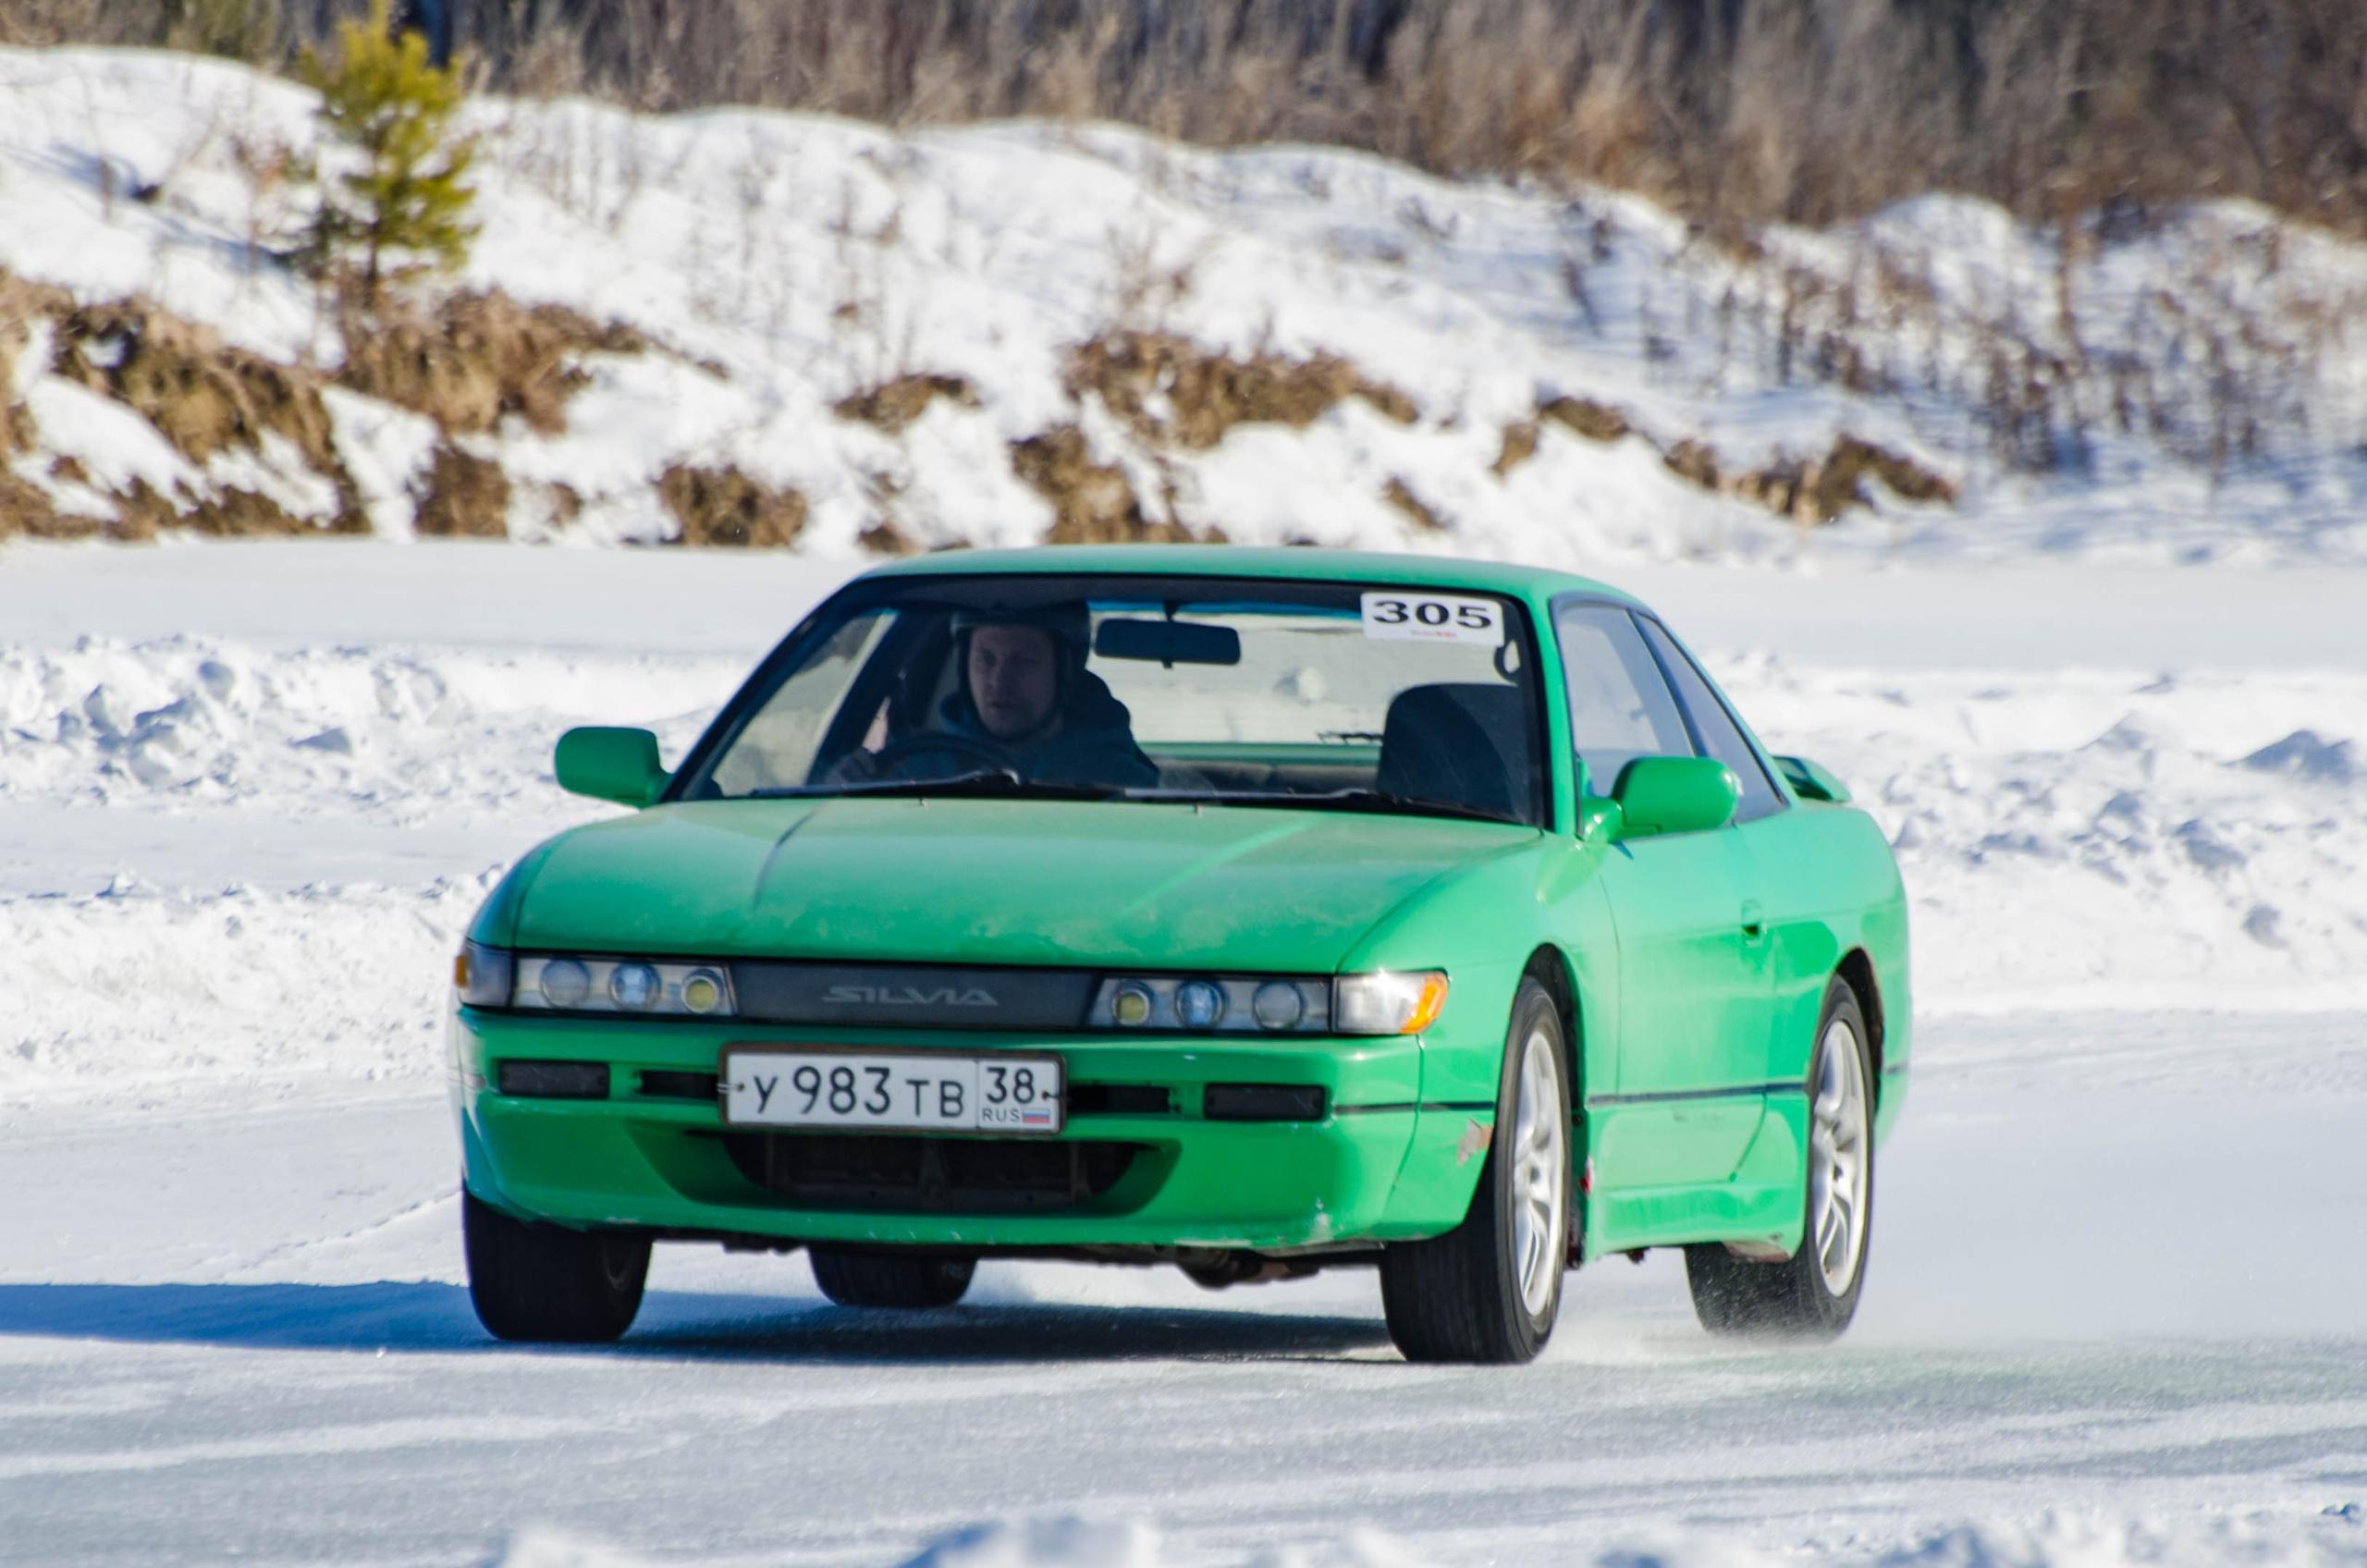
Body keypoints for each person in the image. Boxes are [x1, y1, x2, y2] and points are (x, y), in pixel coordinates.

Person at [834, 604, 1159, 789]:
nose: (999, 681)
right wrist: (840, 795)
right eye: (985, 659)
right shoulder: (913, 773)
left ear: (1065, 673)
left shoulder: (1120, 784)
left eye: (1025, 662)